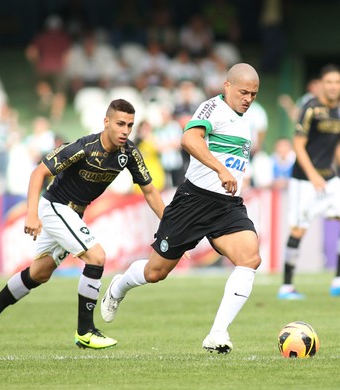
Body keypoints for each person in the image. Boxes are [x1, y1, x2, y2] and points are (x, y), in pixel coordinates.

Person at [0, 99, 165, 350]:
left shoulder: (129, 153)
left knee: (39, 273)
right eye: (120, 124)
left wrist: (170, 223)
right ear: (106, 122)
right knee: (97, 257)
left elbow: (149, 191)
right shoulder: (83, 147)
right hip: (55, 208)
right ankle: (85, 331)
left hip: (73, 214)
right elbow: (38, 173)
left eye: (129, 125)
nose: (125, 131)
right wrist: (32, 214)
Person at [99, 63, 262, 355]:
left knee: (250, 258)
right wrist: (220, 169)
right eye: (243, 92)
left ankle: (217, 333)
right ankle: (118, 287)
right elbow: (189, 139)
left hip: (227, 206)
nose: (248, 98)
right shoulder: (213, 108)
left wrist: (232, 175)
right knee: (155, 272)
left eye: (253, 94)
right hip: (193, 202)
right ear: (227, 87)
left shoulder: (243, 120)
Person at [277, 64, 340, 301]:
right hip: (304, 180)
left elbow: (337, 146)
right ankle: (286, 286)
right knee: (298, 229)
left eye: (337, 82)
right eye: (329, 82)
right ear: (321, 84)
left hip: (329, 178)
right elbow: (298, 144)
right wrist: (313, 175)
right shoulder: (310, 108)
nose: (334, 86)